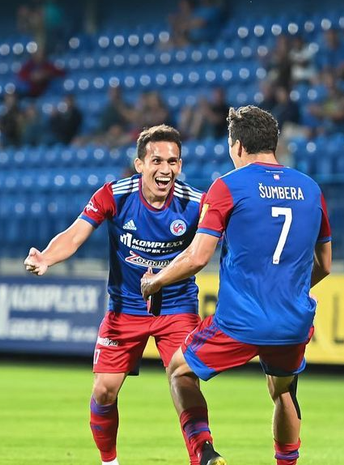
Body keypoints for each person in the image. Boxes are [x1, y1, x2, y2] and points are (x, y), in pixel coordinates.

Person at [141, 106, 332, 465]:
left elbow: (198, 257)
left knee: (179, 369)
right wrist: (286, 290)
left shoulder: (227, 187)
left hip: (240, 321)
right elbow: (325, 264)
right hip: (293, 319)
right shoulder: (311, 189)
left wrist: (155, 281)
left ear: (239, 145)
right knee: (283, 392)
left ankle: (205, 454)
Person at [24, 125, 206, 465]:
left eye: (173, 161)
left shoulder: (196, 203)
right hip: (125, 309)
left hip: (177, 307)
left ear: (180, 166)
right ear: (139, 164)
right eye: (156, 160)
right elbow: (75, 235)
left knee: (185, 381)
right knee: (104, 391)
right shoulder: (114, 195)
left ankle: (203, 456)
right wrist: (46, 257)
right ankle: (109, 461)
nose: (165, 169)